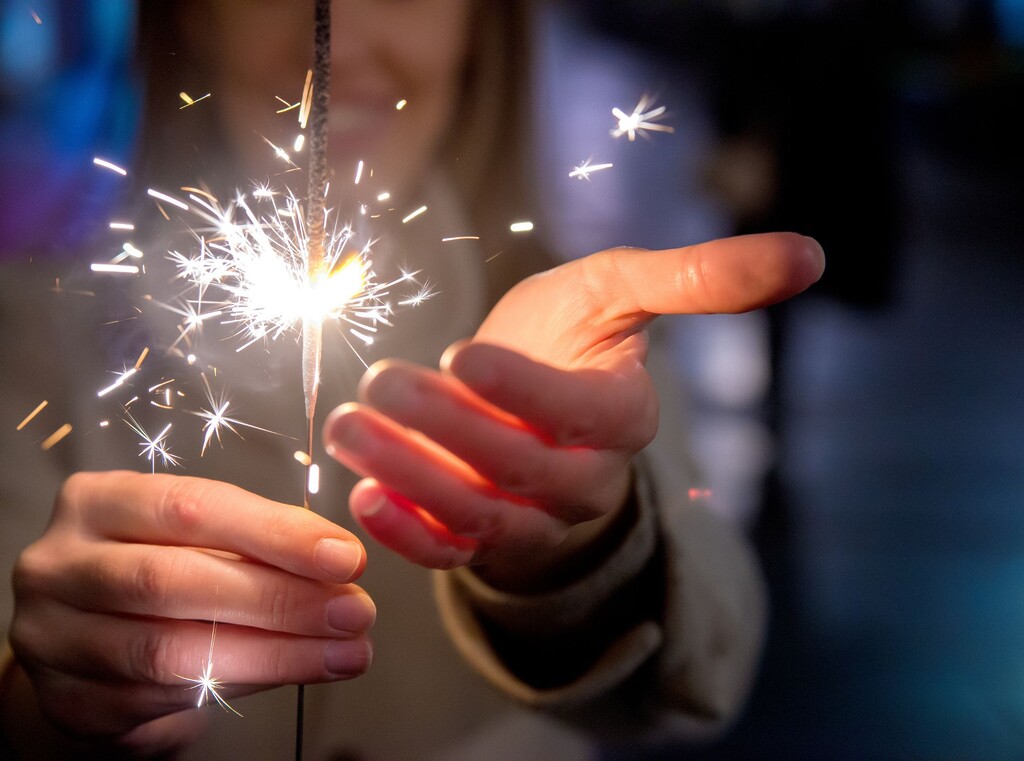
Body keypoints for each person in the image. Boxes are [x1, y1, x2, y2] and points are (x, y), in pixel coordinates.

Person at [0, 1, 824, 758]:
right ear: (193, 16)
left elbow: (705, 673)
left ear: (480, 22)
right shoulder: (33, 333)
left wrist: (579, 551)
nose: (338, 47)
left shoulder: (582, 341)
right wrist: (42, 711)